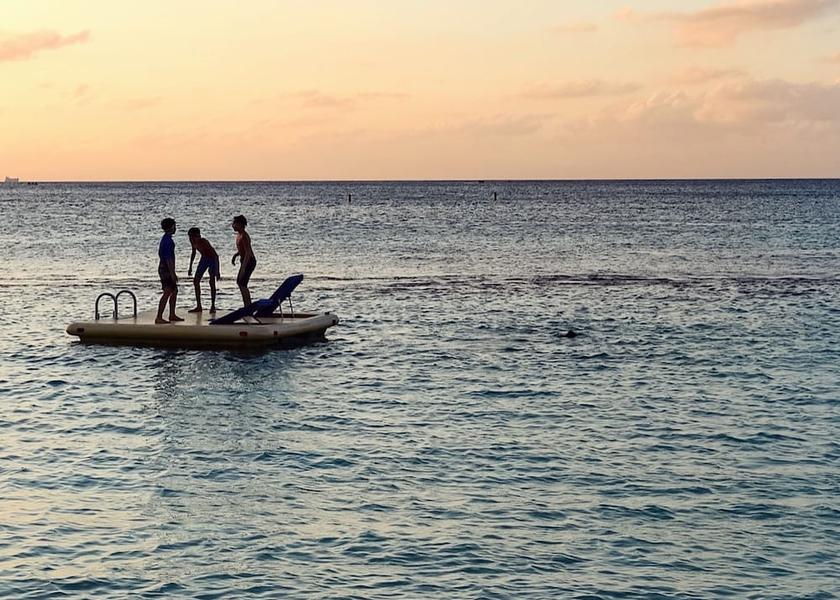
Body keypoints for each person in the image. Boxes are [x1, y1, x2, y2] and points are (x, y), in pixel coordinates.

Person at [156, 218, 184, 324]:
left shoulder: (166, 239)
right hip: (166, 268)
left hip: (165, 267)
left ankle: (172, 314)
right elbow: (168, 259)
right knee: (167, 291)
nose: (175, 228)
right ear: (171, 227)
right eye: (174, 226)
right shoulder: (168, 241)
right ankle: (159, 317)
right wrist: (172, 273)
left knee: (174, 291)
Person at [186, 227, 220, 313]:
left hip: (212, 259)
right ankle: (199, 306)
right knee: (196, 281)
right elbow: (193, 252)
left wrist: (217, 271)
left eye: (193, 237)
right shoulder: (192, 241)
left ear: (198, 235)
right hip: (204, 258)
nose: (192, 239)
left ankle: (213, 306)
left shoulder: (204, 241)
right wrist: (190, 267)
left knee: (212, 282)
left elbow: (216, 256)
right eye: (190, 237)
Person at [231, 214, 256, 306]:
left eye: (234, 223)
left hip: (249, 261)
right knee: (240, 282)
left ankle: (248, 305)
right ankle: (247, 305)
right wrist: (236, 255)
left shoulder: (244, 236)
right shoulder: (239, 235)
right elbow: (242, 249)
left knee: (242, 283)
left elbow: (248, 252)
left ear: (240, 224)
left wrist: (243, 268)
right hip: (245, 260)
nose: (233, 225)